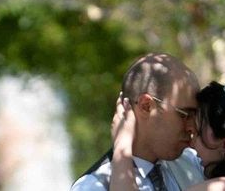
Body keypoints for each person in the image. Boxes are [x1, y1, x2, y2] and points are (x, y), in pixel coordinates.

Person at [72, 53, 204, 190]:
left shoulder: (193, 162)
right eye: (185, 115)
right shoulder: (94, 185)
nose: (192, 127)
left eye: (196, 115)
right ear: (146, 106)